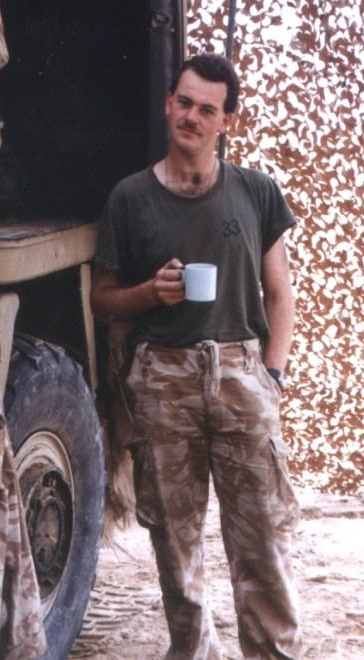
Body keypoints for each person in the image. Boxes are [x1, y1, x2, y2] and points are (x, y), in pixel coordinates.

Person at [91, 53, 302, 659]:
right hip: (163, 378)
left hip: (241, 374)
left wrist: (272, 374)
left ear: (225, 120)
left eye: (207, 109)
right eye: (183, 102)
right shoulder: (130, 197)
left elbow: (280, 293)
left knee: (262, 542)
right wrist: (149, 293)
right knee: (175, 547)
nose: (192, 116)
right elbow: (102, 299)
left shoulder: (256, 191)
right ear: (168, 105)